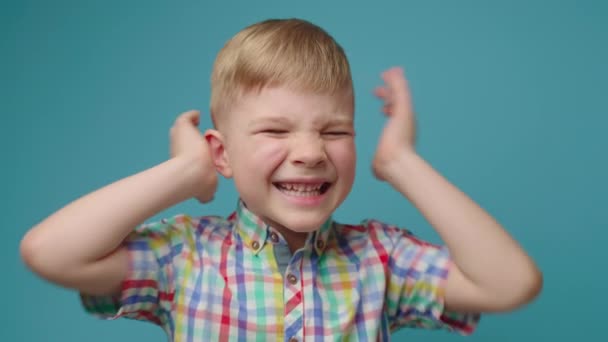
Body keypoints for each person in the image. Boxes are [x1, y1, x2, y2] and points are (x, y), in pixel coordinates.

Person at [20, 18, 542, 341]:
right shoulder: (185, 257)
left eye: (335, 131)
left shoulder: (380, 261)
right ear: (221, 154)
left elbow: (511, 284)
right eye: (275, 130)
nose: (312, 153)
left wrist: (402, 162)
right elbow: (50, 252)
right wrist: (183, 173)